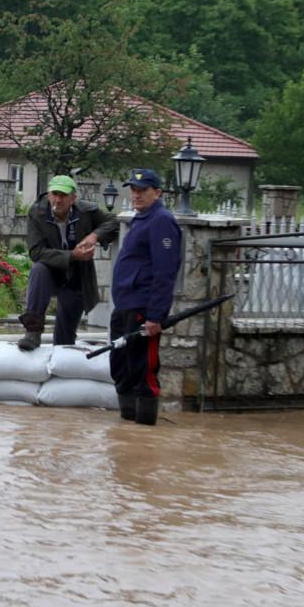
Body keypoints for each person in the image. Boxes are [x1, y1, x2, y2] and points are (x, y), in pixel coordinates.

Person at [110, 168, 183, 426]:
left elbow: (165, 272)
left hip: (143, 307)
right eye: (134, 190)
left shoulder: (161, 221)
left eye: (143, 190)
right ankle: (127, 428)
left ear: (157, 193)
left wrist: (155, 315)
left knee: (143, 369)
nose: (137, 195)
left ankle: (144, 428)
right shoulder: (141, 218)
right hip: (125, 305)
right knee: (121, 364)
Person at [18, 175, 119, 350]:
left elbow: (114, 221)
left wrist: (94, 235)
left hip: (78, 276)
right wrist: (73, 255)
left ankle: (63, 354)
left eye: (63, 195)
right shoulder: (37, 213)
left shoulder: (87, 212)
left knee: (64, 339)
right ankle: (33, 331)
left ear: (73, 198)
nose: (58, 200)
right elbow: (36, 252)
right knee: (39, 269)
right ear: (49, 195)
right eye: (54, 194)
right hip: (51, 272)